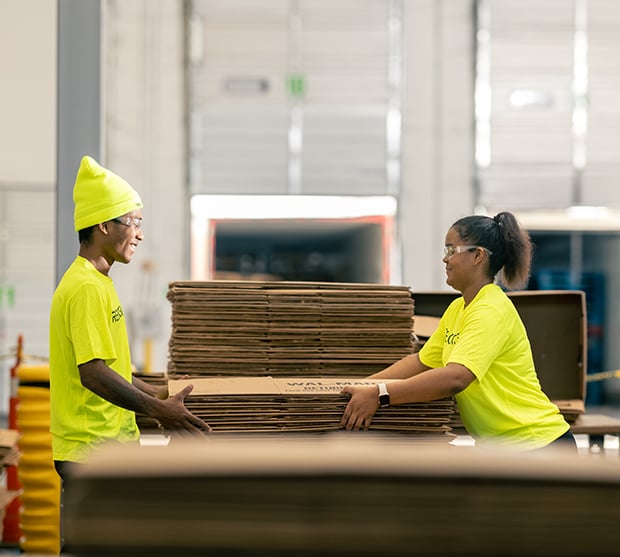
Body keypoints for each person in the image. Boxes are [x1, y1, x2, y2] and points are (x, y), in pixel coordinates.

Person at [340, 211, 576, 451]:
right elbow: (422, 362)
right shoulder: (458, 308)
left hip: (536, 444)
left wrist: (380, 394)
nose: (445, 260)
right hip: (502, 448)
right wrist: (363, 385)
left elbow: (456, 377)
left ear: (477, 256)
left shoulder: (490, 309)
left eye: (451, 250)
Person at [50, 155, 211, 480]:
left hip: (106, 447)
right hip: (91, 451)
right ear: (104, 225)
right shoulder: (85, 287)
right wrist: (159, 411)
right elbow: (93, 374)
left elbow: (111, 368)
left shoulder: (97, 282)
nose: (138, 234)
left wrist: (158, 392)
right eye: (133, 222)